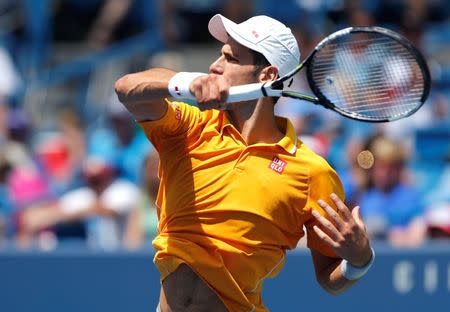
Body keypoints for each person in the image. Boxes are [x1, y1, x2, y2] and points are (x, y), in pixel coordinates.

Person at [115, 14, 374, 312]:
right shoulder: (190, 128)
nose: (215, 66)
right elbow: (127, 89)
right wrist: (187, 82)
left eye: (230, 58)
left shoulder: (311, 172)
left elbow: (329, 278)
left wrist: (360, 261)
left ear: (267, 75)